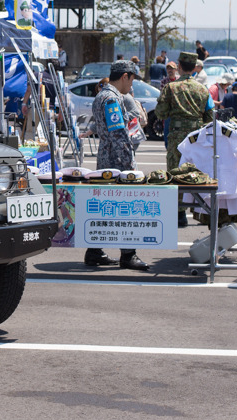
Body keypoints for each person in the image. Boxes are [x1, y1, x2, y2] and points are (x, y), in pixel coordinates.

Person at [84, 60, 150, 271]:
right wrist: (129, 166)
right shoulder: (112, 98)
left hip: (106, 158)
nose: (132, 86)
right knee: (124, 209)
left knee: (106, 208)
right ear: (125, 77)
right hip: (117, 161)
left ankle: (94, 251)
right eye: (132, 81)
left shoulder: (102, 94)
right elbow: (119, 134)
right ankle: (128, 255)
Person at [154, 51, 214, 227]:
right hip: (197, 138)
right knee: (197, 172)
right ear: (194, 68)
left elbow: (160, 112)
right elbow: (210, 116)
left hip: (176, 137)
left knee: (174, 173)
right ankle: (201, 211)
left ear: (179, 67)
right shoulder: (203, 89)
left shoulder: (170, 88)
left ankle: (179, 214)